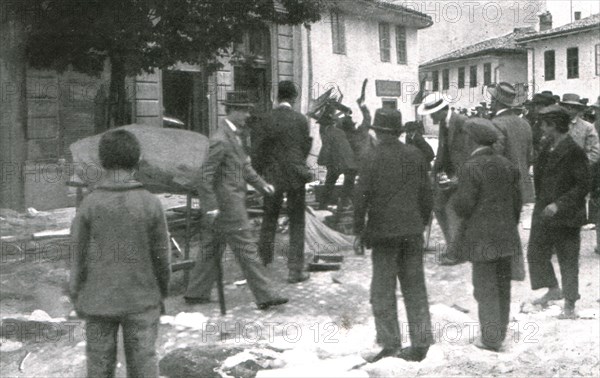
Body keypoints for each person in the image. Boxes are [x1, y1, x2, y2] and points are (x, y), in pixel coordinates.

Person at [69, 129, 171, 377]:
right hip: (142, 299)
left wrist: (76, 293)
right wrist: (160, 292)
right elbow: (162, 258)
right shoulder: (150, 203)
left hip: (97, 300)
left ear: (102, 162)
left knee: (99, 365)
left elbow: (77, 255)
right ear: (137, 160)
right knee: (144, 363)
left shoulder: (89, 204)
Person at [184, 92, 288, 309]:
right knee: (247, 249)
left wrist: (262, 184)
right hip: (228, 206)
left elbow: (244, 166)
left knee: (211, 248)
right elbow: (205, 176)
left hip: (226, 205)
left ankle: (196, 292)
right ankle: (266, 295)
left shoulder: (234, 135)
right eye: (244, 110)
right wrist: (211, 207)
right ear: (232, 111)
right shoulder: (220, 140)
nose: (248, 115)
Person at [354, 108, 434, 362]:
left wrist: (358, 230)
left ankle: (390, 344)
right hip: (411, 232)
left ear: (377, 131)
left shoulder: (370, 157)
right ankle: (421, 343)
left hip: (383, 235)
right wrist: (419, 223)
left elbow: (360, 198)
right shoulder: (416, 155)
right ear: (398, 132)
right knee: (415, 288)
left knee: (382, 290)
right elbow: (427, 197)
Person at [450, 118, 522, 352]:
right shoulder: (507, 164)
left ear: (471, 139)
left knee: (485, 287)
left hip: (481, 238)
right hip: (506, 234)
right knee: (503, 286)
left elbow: (464, 206)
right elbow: (517, 202)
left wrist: (454, 191)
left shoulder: (470, 167)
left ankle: (490, 339)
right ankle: (498, 333)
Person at [527, 105, 590, 318]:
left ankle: (570, 303)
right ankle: (553, 289)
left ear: (553, 125)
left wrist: (559, 205)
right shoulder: (547, 146)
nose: (541, 128)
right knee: (536, 252)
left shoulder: (574, 150)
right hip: (544, 209)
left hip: (566, 214)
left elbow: (583, 186)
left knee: (567, 259)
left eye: (543, 124)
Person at [255, 81, 312, 283]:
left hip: (272, 177)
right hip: (296, 176)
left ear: (276, 96)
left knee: (269, 218)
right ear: (294, 98)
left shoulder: (265, 119)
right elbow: (305, 147)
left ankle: (263, 264)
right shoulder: (301, 120)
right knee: (297, 222)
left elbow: (258, 151)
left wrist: (260, 175)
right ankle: (295, 270)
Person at [417, 93, 470, 265]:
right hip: (447, 175)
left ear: (441, 110)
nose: (430, 117)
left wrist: (459, 178)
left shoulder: (462, 122)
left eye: (432, 113)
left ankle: (457, 253)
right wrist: (434, 173)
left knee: (451, 211)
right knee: (438, 207)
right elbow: (442, 150)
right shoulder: (443, 124)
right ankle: (452, 247)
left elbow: (469, 153)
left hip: (463, 176)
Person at [488, 82, 534, 204]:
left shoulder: (496, 123)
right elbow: (529, 157)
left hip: (503, 189)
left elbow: (495, 158)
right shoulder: (525, 124)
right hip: (524, 187)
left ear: (495, 101)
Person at [317, 105, 358, 210]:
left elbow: (326, 149)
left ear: (324, 125)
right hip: (350, 163)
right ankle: (346, 206)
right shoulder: (339, 131)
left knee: (329, 184)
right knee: (348, 186)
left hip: (339, 162)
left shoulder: (328, 132)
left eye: (321, 125)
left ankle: (324, 207)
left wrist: (321, 161)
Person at [560, 93, 600, 164]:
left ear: (577, 109)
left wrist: (581, 165)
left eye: (572, 107)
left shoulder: (587, 127)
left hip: (579, 169)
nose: (569, 110)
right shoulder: (555, 125)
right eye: (566, 107)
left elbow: (595, 151)